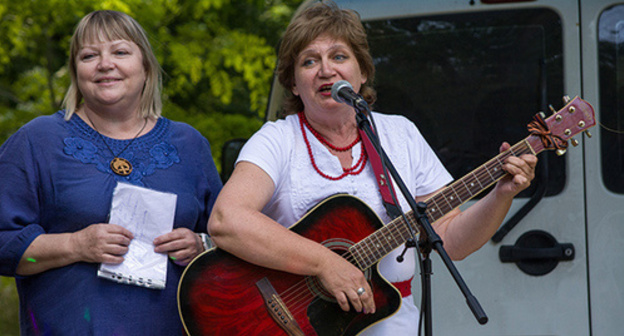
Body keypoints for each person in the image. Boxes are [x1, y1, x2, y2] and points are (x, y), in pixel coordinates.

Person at [208, 1, 537, 335]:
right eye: (309, 61)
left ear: (362, 72)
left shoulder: (400, 134)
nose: (326, 70)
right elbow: (226, 220)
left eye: (339, 56)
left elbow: (453, 240)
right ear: (293, 83)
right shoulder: (277, 140)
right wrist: (324, 263)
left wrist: (501, 195)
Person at [0, 10, 222, 335]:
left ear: (146, 66)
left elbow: (232, 243)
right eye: (90, 55)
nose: (106, 64)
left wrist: (201, 245)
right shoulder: (38, 140)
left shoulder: (189, 144)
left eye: (120, 52)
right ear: (77, 72)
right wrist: (75, 245)